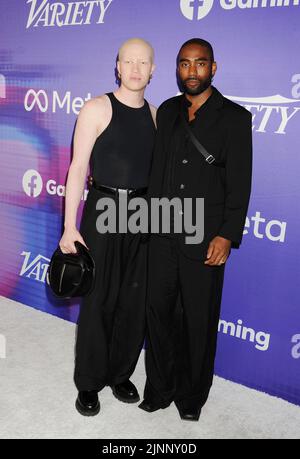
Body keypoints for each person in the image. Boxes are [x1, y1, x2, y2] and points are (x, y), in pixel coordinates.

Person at [139, 38, 253, 421]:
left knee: (198, 319)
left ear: (213, 68)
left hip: (205, 239)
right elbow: (156, 173)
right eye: (185, 64)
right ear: (177, 69)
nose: (192, 72)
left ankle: (191, 396)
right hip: (161, 234)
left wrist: (226, 234)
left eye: (200, 64)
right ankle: (159, 387)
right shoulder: (167, 111)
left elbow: (240, 184)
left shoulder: (235, 119)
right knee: (158, 312)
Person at [59, 38, 156, 416]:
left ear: (153, 69)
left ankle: (120, 374)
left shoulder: (155, 115)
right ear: (117, 66)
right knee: (99, 298)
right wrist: (70, 226)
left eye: (143, 62)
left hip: (144, 212)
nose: (135, 68)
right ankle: (89, 382)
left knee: (134, 300)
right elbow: (77, 168)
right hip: (103, 208)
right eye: (128, 61)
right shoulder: (97, 108)